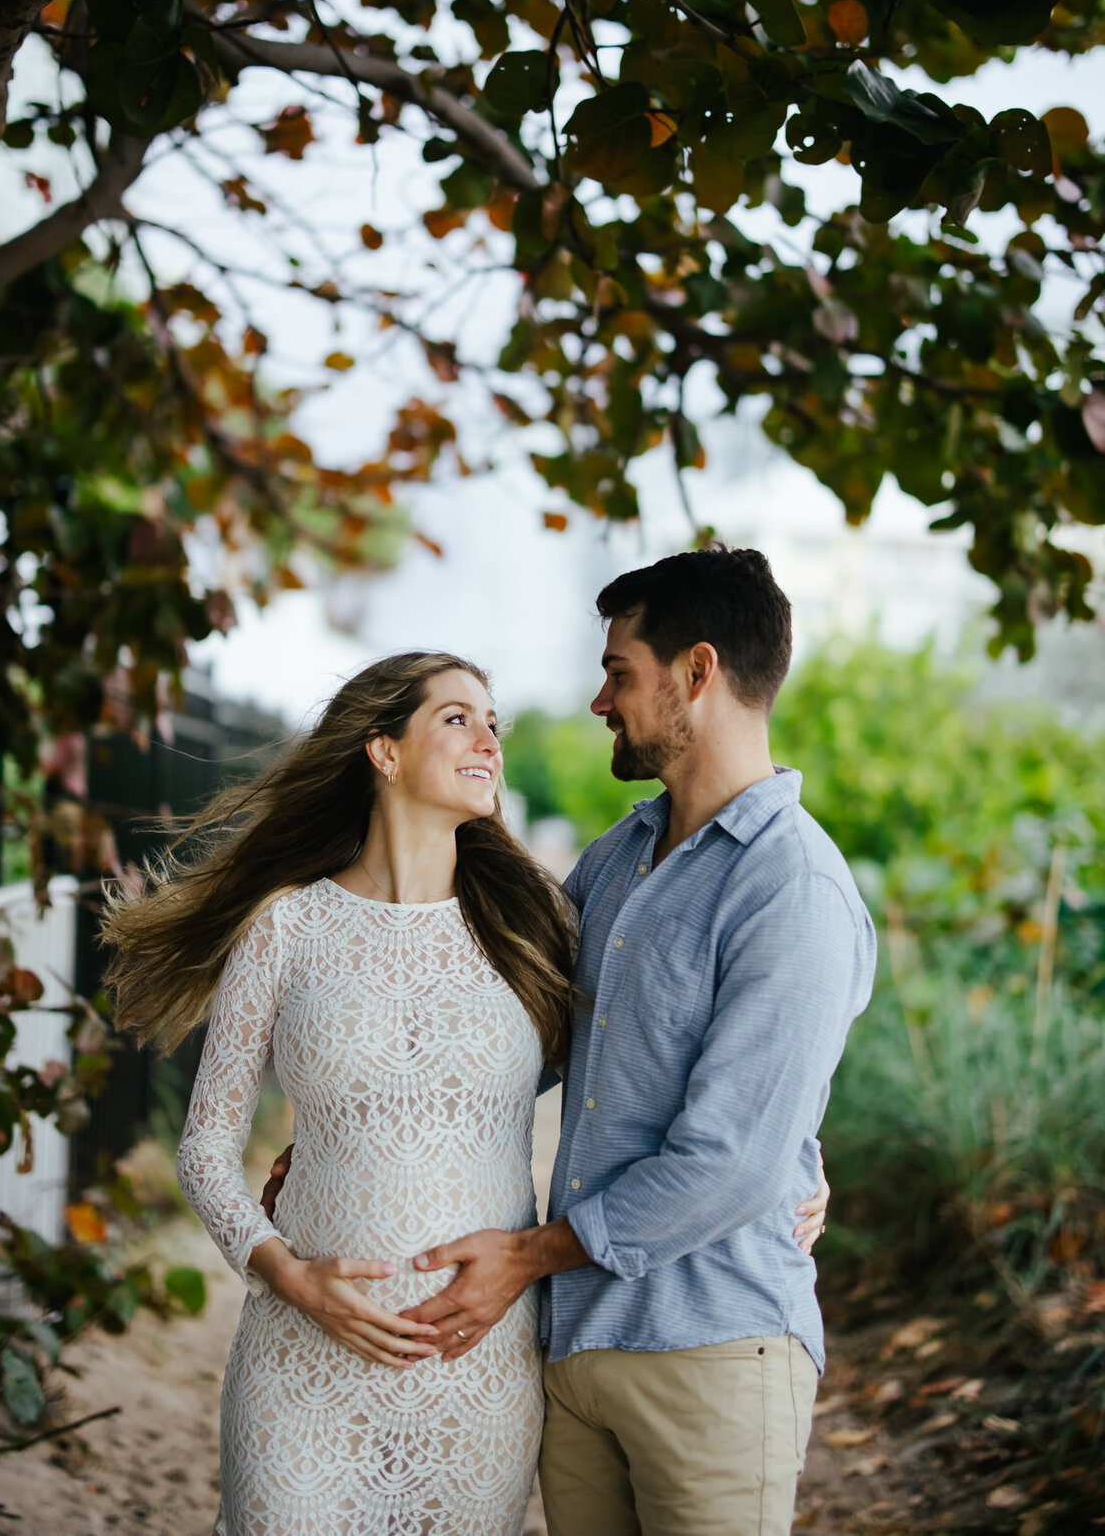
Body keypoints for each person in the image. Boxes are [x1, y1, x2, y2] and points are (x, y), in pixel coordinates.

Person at [262, 548, 862, 1536]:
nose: (598, 698)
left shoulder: (791, 888)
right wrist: (364, 1125)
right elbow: (520, 1030)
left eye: (619, 671)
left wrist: (530, 1255)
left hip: (711, 1349)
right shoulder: (619, 857)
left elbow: (733, 1160)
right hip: (578, 1349)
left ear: (697, 672)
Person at [99, 651, 580, 1536]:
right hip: (302, 1362)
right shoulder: (286, 925)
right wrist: (286, 1271)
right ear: (383, 750)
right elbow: (206, 1147)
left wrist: (793, 1156)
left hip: (473, 1366)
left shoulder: (531, 923)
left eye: (493, 723)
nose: (489, 741)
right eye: (457, 718)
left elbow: (648, 1066)